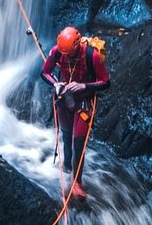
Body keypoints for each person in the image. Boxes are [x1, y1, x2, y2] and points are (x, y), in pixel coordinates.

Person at [41, 26, 110, 198]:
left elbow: (106, 82)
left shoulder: (91, 56)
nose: (67, 57)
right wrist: (56, 84)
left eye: (69, 54)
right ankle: (67, 167)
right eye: (64, 54)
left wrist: (84, 85)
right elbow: (45, 73)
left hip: (84, 101)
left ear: (77, 46)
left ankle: (77, 182)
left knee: (78, 141)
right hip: (65, 98)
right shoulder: (58, 52)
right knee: (66, 135)